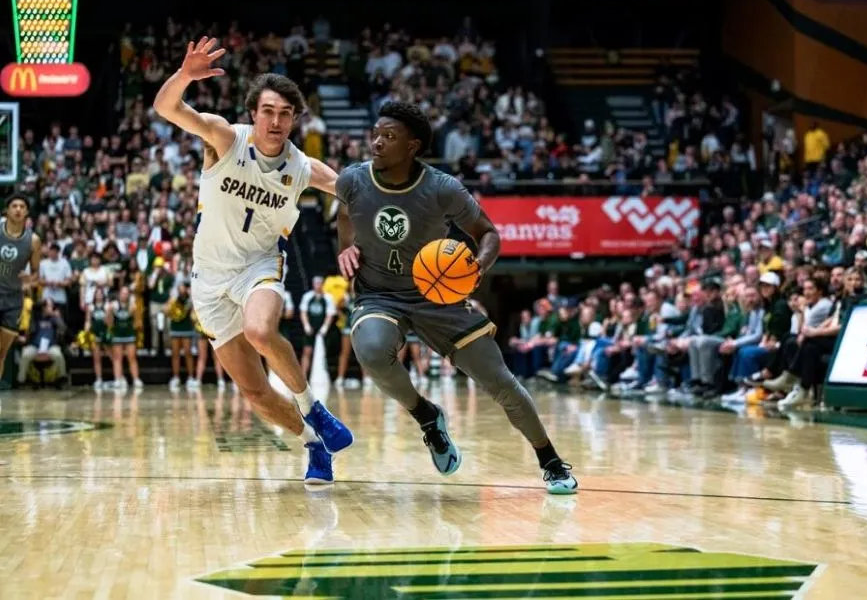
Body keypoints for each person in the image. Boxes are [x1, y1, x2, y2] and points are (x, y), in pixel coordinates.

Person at [333, 101, 577, 494]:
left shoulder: (442, 188)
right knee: (372, 350)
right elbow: (344, 212)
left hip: (437, 295)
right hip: (379, 294)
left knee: (500, 381)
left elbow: (489, 233)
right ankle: (427, 416)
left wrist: (477, 267)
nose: (377, 142)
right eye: (375, 134)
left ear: (413, 146)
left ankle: (550, 460)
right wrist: (346, 247)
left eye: (389, 137)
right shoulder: (352, 180)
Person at [153, 36, 353, 484]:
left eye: (285, 113)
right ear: (253, 113)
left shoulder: (303, 168)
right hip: (207, 279)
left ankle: (314, 408)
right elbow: (167, 108)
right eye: (268, 111)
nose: (276, 120)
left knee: (260, 330)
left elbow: (353, 192)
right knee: (255, 392)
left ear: (295, 118)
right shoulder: (224, 138)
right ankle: (312, 442)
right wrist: (185, 75)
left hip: (259, 265)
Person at [0, 195, 41, 381]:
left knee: (1, 353)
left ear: (26, 212)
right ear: (7, 210)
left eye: (22, 206)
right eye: (14, 206)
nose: (18, 209)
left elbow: (36, 276)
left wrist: (29, 280)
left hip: (13, 300)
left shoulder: (33, 241)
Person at [298, 275, 335, 380]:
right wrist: (306, 325)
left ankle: (323, 377)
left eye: (320, 283)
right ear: (313, 284)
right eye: (316, 283)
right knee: (307, 351)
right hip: (310, 328)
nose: (318, 285)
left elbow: (330, 314)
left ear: (322, 284)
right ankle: (303, 377)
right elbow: (303, 312)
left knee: (324, 352)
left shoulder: (328, 297)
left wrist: (325, 327)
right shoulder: (307, 296)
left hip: (323, 330)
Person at [108, 285, 143, 390]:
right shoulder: (113, 305)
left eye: (126, 293)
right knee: (117, 358)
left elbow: (138, 323)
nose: (124, 295)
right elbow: (109, 323)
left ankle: (136, 379)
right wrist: (109, 312)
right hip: (118, 334)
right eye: (123, 293)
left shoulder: (132, 305)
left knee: (132, 357)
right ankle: (118, 379)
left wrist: (135, 311)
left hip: (129, 334)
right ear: (119, 295)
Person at [167, 281, 197, 391]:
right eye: (181, 287)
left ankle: (191, 377)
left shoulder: (190, 299)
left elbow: (195, 312)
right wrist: (171, 299)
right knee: (175, 354)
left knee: (188, 353)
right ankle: (176, 377)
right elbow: (166, 311)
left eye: (184, 287)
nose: (182, 289)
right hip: (175, 329)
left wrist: (192, 296)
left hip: (187, 328)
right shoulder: (174, 299)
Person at [86, 287, 112, 390]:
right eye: (97, 293)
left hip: (105, 333)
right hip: (95, 333)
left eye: (101, 293)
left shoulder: (107, 306)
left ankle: (119, 377)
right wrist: (86, 329)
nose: (99, 295)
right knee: (96, 358)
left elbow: (109, 321)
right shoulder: (91, 307)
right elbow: (88, 320)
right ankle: (99, 379)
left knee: (112, 356)